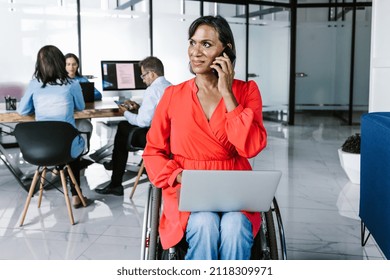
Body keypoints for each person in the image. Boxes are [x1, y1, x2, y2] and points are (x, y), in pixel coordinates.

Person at [142, 15, 267, 260]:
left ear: (226, 51)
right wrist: (177, 176)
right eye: (192, 42)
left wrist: (227, 94)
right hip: (186, 186)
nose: (195, 52)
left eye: (206, 44)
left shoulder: (246, 90)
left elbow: (251, 147)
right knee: (204, 223)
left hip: (234, 187)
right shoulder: (172, 95)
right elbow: (153, 151)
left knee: (234, 226)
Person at [17, 45, 91, 209]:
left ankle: (56, 177)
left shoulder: (34, 84)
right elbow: (80, 106)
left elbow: (23, 111)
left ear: (39, 64)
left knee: (64, 140)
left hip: (38, 149)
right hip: (66, 149)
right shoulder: (72, 84)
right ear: (60, 62)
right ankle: (75, 196)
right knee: (71, 141)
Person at [95, 56, 171, 196]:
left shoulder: (152, 90)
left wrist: (125, 113)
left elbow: (143, 122)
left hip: (156, 139)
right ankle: (114, 165)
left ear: (152, 74)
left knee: (123, 128)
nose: (142, 79)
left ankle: (116, 182)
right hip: (170, 138)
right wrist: (139, 108)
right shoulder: (172, 87)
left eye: (143, 75)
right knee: (125, 128)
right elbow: (157, 112)